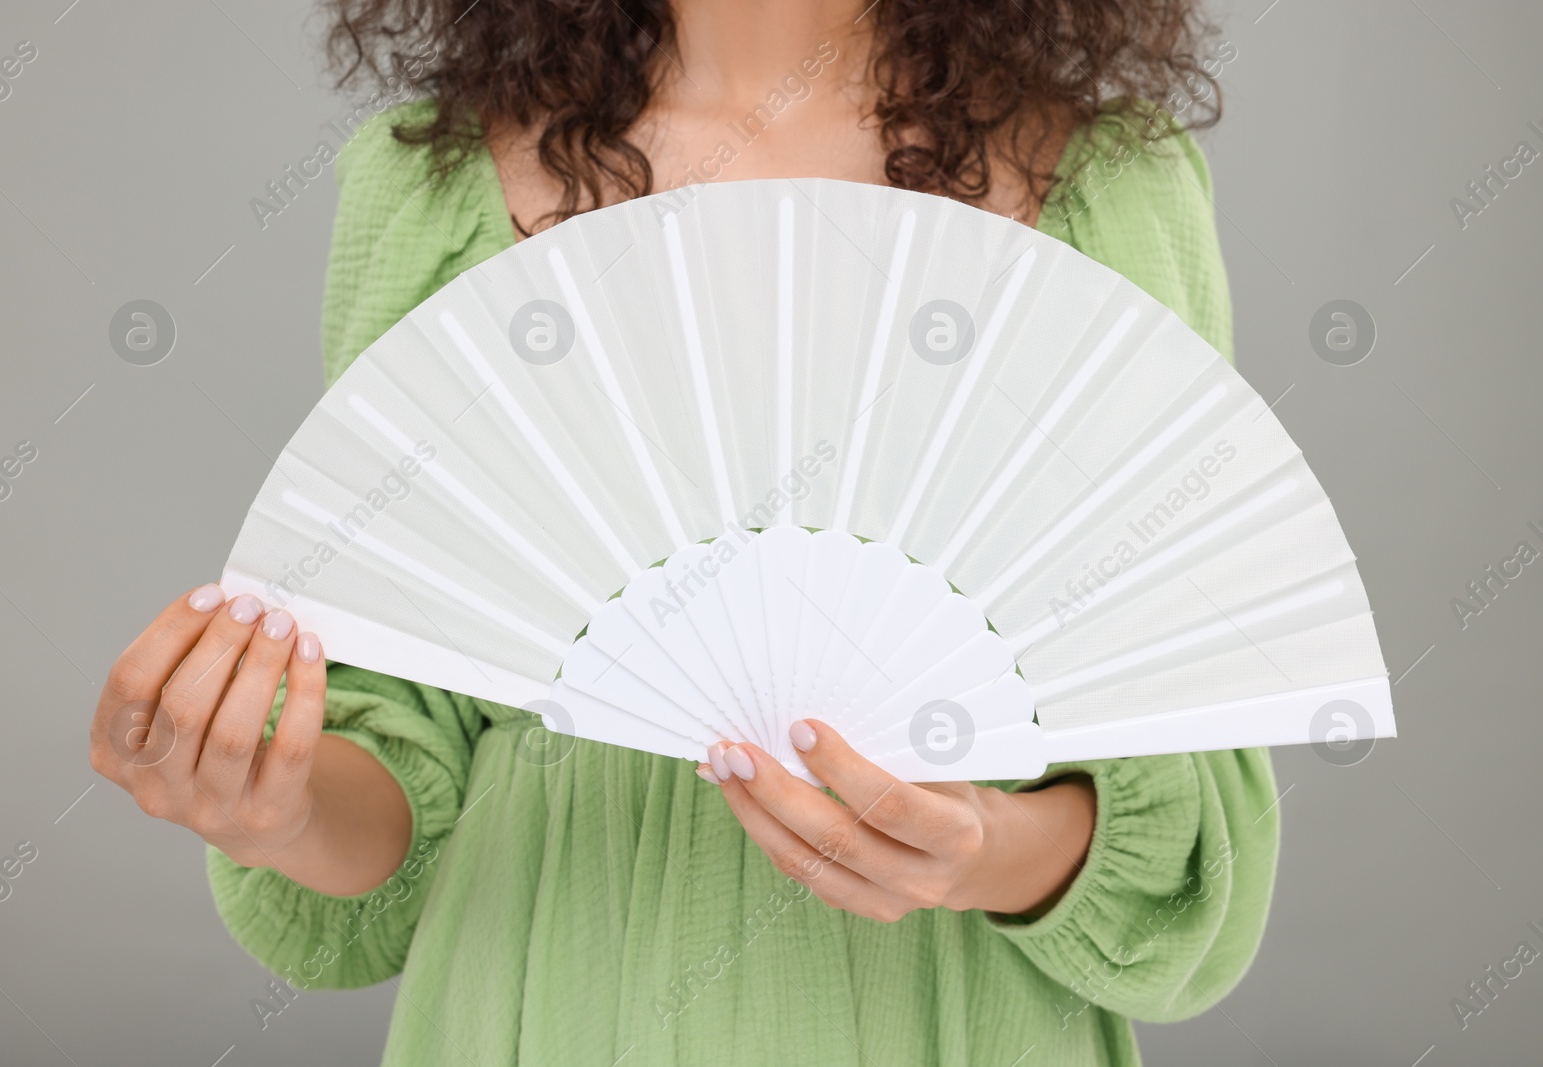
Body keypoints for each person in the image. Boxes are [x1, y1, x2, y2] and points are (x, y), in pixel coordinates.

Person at [89, 2, 1278, 1063]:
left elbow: (1189, 809)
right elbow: (402, 763)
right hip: (552, 982)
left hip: (948, 1000)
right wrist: (275, 802)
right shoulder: (430, 197)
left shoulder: (1109, 186)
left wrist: (982, 847)